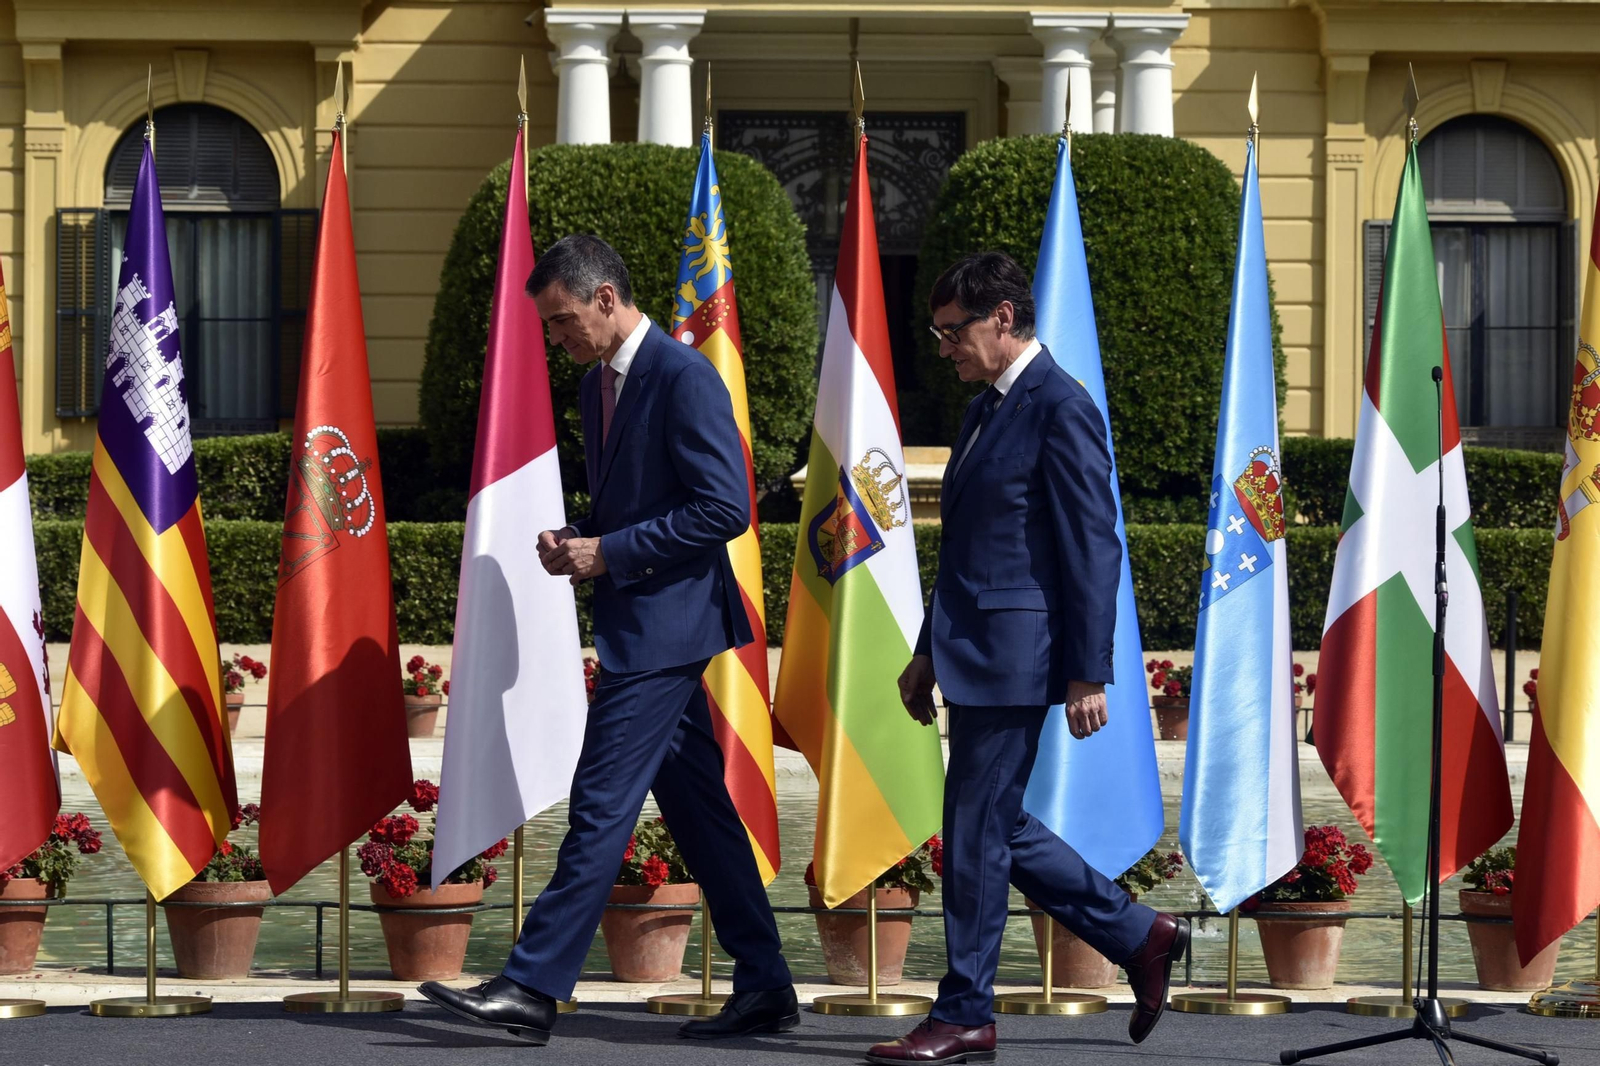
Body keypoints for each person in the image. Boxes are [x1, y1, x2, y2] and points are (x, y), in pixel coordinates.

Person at [419, 234, 797, 1045]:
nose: (557, 341)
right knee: (700, 814)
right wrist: (581, 535)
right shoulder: (601, 385)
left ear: (604, 298)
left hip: (669, 630)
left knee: (599, 807)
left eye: (561, 323)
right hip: (644, 624)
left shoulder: (685, 376)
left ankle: (530, 986)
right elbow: (638, 505)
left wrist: (608, 553)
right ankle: (765, 982)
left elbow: (725, 508)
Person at [866, 252, 1189, 1066]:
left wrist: (1089, 670)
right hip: (973, 650)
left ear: (1003, 319)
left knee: (974, 834)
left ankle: (967, 1012)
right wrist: (927, 652)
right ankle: (1140, 934)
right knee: (993, 826)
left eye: (952, 332)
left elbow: (1092, 546)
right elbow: (972, 548)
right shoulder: (984, 407)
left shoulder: (1061, 406)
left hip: (1021, 655)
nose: (943, 348)